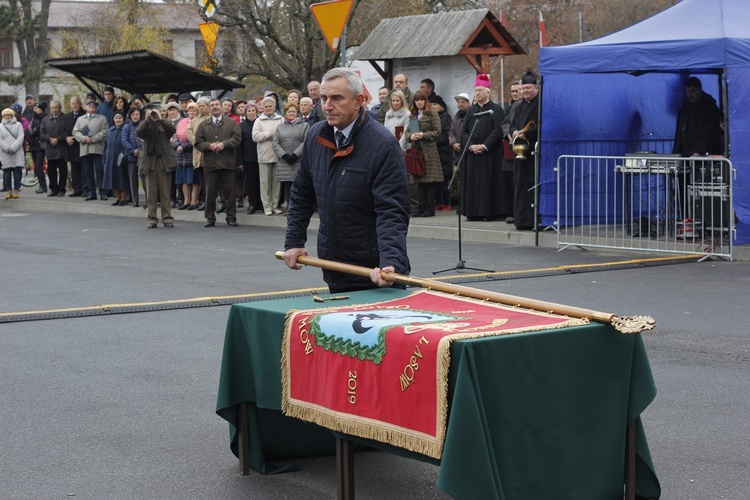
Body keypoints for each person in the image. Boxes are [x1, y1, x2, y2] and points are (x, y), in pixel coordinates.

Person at [283, 67, 410, 293]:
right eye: (323, 98)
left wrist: (391, 261)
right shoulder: (316, 135)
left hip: (374, 271)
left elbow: (391, 210)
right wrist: (294, 242)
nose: (327, 105)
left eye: (336, 98)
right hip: (333, 265)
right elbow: (302, 194)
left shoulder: (382, 145)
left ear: (358, 100)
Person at [460, 73, 510, 222]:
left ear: (488, 92)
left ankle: (489, 212)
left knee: (488, 183)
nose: (477, 93)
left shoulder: (495, 109)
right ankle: (473, 212)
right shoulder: (471, 110)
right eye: (476, 91)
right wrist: (470, 146)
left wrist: (484, 145)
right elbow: (463, 131)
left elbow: (498, 130)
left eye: (480, 90)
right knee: (473, 183)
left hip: (490, 154)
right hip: (473, 154)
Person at [194, 98, 242, 227]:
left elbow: (237, 139)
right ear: (209, 108)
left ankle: (231, 217)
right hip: (210, 163)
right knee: (210, 193)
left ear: (222, 107)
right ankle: (210, 218)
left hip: (228, 163)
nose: (214, 107)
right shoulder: (203, 125)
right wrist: (209, 146)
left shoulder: (231, 123)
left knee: (230, 193)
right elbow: (197, 142)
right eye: (212, 105)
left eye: (217, 105)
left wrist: (224, 144)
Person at [400, 91, 443, 218]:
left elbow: (437, 131)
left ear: (425, 101)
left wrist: (424, 135)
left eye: (422, 100)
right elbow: (407, 132)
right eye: (417, 100)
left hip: (429, 151)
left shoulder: (432, 113)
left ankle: (430, 208)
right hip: (417, 151)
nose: (419, 102)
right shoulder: (413, 115)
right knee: (418, 180)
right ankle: (421, 207)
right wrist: (411, 136)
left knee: (429, 181)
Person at [136, 103, 177, 228]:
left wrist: (160, 119)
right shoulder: (145, 123)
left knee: (165, 192)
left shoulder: (166, 122)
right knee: (151, 193)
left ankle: (167, 218)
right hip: (150, 160)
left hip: (163, 160)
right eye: (152, 111)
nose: (155, 113)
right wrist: (147, 120)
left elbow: (172, 130)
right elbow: (139, 133)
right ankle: (152, 219)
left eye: (158, 110)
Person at [509, 71, 540, 230]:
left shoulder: (541, 104)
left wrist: (526, 133)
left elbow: (540, 125)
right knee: (520, 185)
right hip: (520, 150)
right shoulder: (519, 105)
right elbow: (512, 123)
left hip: (534, 152)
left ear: (536, 87)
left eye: (528, 88)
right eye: (523, 88)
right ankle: (521, 220)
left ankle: (533, 220)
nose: (525, 91)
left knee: (532, 184)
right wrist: (514, 132)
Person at [272, 102, 309, 214]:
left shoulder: (305, 125)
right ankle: (289, 207)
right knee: (288, 185)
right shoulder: (280, 127)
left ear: (297, 112)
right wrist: (284, 155)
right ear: (286, 113)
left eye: (293, 111)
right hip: (285, 161)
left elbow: (306, 141)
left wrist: (295, 154)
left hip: (299, 159)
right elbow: (275, 143)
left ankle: (300, 207)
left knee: (300, 185)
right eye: (289, 111)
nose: (291, 113)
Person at [673, 76, 723, 158]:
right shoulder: (685, 107)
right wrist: (676, 152)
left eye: (692, 91)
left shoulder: (710, 108)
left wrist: (701, 151)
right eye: (687, 91)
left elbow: (711, 133)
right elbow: (679, 132)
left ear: (700, 89)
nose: (690, 94)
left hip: (700, 153)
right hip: (684, 151)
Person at [252, 96, 283, 216]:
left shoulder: (281, 119)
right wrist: (268, 134)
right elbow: (255, 137)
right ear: (263, 108)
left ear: (274, 107)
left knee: (276, 182)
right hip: (264, 155)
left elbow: (283, 134)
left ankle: (275, 205)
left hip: (278, 154)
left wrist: (274, 136)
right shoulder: (258, 121)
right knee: (265, 182)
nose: (269, 108)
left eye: (270, 106)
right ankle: (267, 207)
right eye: (266, 107)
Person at [73, 100, 109, 201]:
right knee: (88, 172)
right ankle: (91, 192)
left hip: (97, 149)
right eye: (89, 105)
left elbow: (105, 132)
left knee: (99, 171)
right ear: (86, 107)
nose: (91, 106)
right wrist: (84, 138)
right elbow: (75, 132)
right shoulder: (80, 119)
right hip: (85, 149)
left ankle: (102, 192)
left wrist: (93, 139)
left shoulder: (102, 118)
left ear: (96, 107)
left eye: (93, 105)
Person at [501, 81, 523, 224]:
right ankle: (511, 211)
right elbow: (505, 123)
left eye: (517, 91)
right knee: (510, 181)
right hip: (510, 146)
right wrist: (509, 134)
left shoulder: (523, 105)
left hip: (522, 146)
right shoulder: (511, 107)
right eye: (513, 91)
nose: (515, 94)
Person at [40, 100, 68, 197]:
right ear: (50, 108)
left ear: (60, 108)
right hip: (50, 149)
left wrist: (58, 139)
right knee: (51, 171)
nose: (55, 110)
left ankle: (61, 189)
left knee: (63, 171)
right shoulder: (45, 119)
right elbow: (42, 133)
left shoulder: (65, 118)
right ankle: (53, 189)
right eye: (53, 108)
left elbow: (67, 132)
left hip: (62, 149)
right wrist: (50, 139)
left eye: (56, 107)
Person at [187, 97, 211, 211]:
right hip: (197, 152)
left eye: (203, 106)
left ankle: (209, 201)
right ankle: (203, 200)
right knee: (201, 179)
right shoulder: (195, 119)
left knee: (210, 180)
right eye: (199, 106)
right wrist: (195, 141)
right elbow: (189, 131)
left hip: (209, 152)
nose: (201, 108)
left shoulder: (211, 117)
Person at [430, 96, 453, 211]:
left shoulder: (446, 118)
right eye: (431, 104)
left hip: (443, 152)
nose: (433, 106)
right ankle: (438, 201)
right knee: (435, 180)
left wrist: (433, 141)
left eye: (435, 104)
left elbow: (445, 135)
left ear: (442, 106)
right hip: (434, 153)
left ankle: (446, 202)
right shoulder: (430, 118)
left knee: (444, 179)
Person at [173, 102, 196, 210]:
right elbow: (175, 135)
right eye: (190, 110)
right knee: (183, 179)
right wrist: (177, 145)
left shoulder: (198, 122)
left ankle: (194, 201)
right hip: (180, 155)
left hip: (192, 154)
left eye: (193, 110)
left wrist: (184, 146)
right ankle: (186, 200)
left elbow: (195, 138)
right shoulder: (182, 122)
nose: (191, 112)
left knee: (193, 179)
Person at [102, 111, 128, 205]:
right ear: (113, 119)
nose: (118, 120)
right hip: (110, 158)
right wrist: (104, 157)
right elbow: (105, 144)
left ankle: (124, 198)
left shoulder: (125, 129)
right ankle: (117, 198)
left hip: (121, 158)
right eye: (116, 118)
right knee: (113, 178)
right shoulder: (110, 130)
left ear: (123, 119)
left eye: (120, 118)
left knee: (122, 178)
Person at [241, 102, 261, 214]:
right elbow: (240, 144)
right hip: (249, 158)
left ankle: (260, 203)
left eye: (253, 110)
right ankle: (252, 203)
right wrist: (240, 161)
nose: (251, 112)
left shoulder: (260, 122)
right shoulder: (242, 125)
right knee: (250, 182)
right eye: (248, 111)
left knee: (261, 181)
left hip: (262, 156)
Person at [1, 107, 25, 199]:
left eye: (9, 115)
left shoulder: (18, 125)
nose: (7, 117)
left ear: (12, 115)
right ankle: (8, 191)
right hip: (5, 153)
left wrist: (13, 148)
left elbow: (21, 137)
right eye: (6, 115)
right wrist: (7, 148)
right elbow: (0, 140)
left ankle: (16, 190)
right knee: (6, 173)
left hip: (17, 152)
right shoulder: (0, 126)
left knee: (16, 172)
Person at [122, 107, 143, 207]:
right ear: (130, 116)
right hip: (131, 156)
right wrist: (132, 150)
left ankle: (148, 200)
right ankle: (135, 200)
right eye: (133, 114)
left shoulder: (143, 125)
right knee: (133, 179)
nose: (135, 116)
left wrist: (139, 150)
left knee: (144, 179)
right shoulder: (127, 127)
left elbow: (145, 140)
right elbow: (124, 141)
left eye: (137, 114)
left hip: (142, 156)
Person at [65, 96, 86, 197]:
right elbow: (64, 130)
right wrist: (67, 138)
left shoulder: (85, 115)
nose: (75, 105)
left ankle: (85, 189)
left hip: (81, 145)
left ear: (80, 104)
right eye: (73, 104)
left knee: (84, 169)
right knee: (74, 170)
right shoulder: (68, 116)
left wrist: (76, 138)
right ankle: (76, 189)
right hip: (71, 147)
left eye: (77, 103)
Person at [27, 102, 48, 193]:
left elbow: (39, 130)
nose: (34, 110)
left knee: (39, 166)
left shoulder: (45, 118)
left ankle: (43, 186)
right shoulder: (34, 119)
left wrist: (33, 132)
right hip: (33, 145)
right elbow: (29, 130)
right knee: (36, 166)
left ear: (41, 109)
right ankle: (41, 185)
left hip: (40, 145)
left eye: (37, 108)